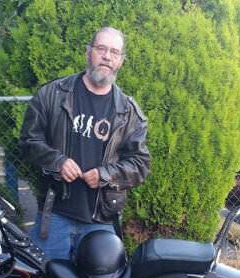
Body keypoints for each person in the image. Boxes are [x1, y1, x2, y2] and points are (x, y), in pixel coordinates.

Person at [19, 26, 150, 261]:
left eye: (114, 52)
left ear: (120, 61)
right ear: (88, 52)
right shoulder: (52, 94)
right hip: (54, 214)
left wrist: (105, 175)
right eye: (101, 48)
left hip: (101, 221)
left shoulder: (129, 112)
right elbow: (29, 141)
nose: (107, 56)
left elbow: (140, 165)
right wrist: (57, 162)